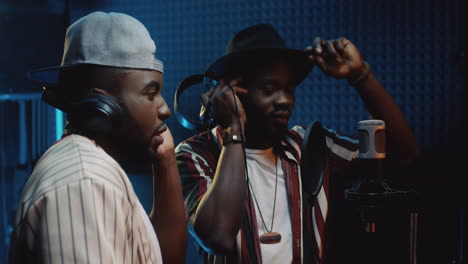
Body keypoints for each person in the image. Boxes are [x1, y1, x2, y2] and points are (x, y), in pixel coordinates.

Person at [175, 24, 420, 263]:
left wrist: (360, 76)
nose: (284, 100)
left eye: (289, 89)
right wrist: (233, 133)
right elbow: (218, 237)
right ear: (233, 92)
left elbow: (403, 153)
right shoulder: (194, 154)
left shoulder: (309, 145)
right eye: (269, 89)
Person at [8, 11, 187, 263]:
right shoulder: (85, 181)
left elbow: (162, 256)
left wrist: (166, 158)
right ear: (101, 104)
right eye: (150, 93)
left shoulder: (93, 167)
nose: (165, 108)